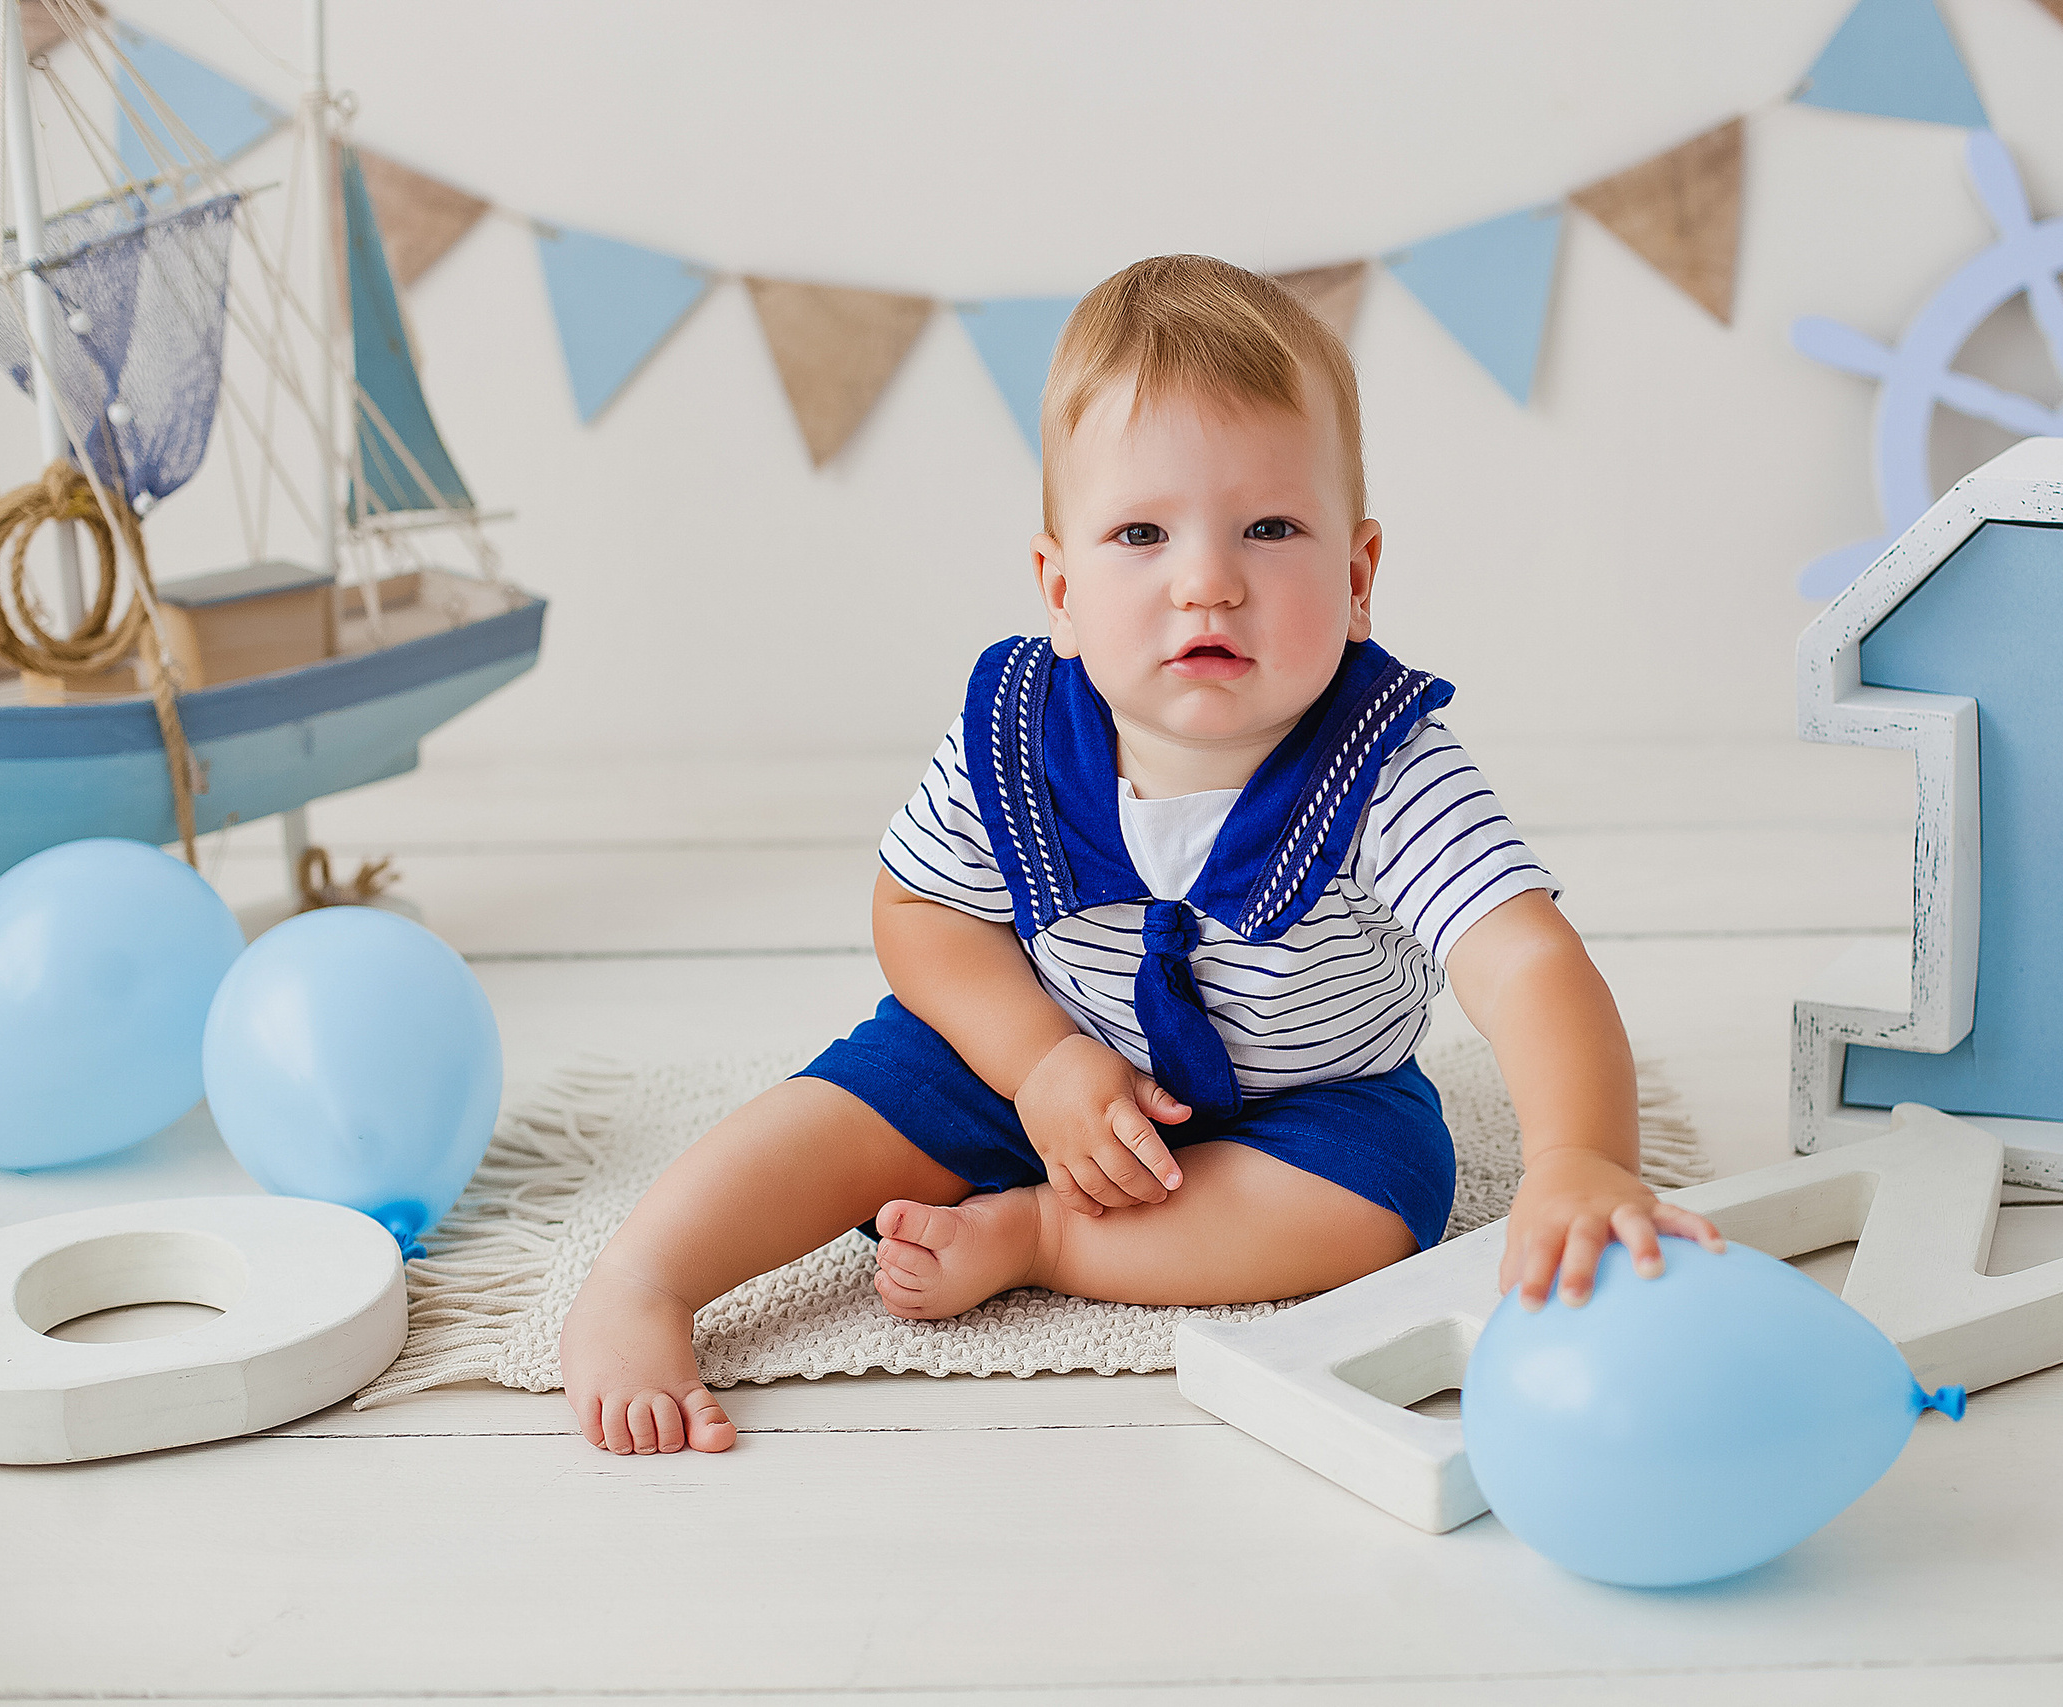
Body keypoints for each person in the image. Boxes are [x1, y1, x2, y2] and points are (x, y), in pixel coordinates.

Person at [558, 254, 1723, 1455]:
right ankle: (644, 1280)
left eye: (1270, 528)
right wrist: (1040, 1063)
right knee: (851, 1108)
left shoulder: (1387, 765)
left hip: (1305, 1098)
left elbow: (1524, 959)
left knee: (1380, 1208)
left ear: (1359, 575)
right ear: (1059, 588)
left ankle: (1042, 1238)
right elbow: (922, 917)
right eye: (1139, 533)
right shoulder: (1016, 737)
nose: (1207, 582)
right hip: (1035, 1050)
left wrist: (1579, 1156)